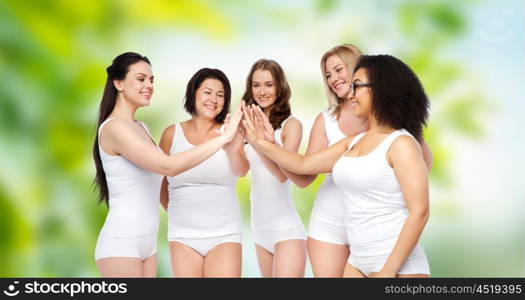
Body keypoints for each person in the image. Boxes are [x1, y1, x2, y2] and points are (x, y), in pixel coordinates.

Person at [242, 54, 431, 278]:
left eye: (357, 86)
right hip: (357, 263)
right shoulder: (353, 142)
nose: (351, 93)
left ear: (381, 90)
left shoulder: (401, 144)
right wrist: (262, 142)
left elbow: (420, 212)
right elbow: (303, 164)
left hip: (397, 266)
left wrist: (388, 271)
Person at [93, 53, 242, 278]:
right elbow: (169, 167)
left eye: (151, 80)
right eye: (141, 79)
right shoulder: (115, 128)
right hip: (121, 243)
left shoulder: (140, 127)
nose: (149, 85)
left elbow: (162, 181)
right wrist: (222, 139)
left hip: (147, 245)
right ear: (118, 83)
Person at [301, 44, 433, 277]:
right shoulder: (327, 120)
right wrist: (264, 143)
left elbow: (420, 191)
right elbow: (303, 170)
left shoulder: (397, 134)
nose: (333, 79)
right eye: (328, 74)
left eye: (339, 70)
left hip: (381, 238)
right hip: (334, 225)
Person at [159, 68, 248, 278]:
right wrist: (179, 213)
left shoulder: (229, 132)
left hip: (225, 233)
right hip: (183, 236)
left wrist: (233, 145)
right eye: (208, 92)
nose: (213, 100)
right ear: (194, 93)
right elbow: (159, 181)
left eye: (220, 95)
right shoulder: (172, 134)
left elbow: (241, 170)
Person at [242, 59, 307, 277]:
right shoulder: (248, 124)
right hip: (259, 229)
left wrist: (259, 142)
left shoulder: (291, 125)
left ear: (279, 86)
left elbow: (282, 175)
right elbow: (240, 170)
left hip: (286, 230)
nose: (262, 91)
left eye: (268, 85)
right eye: (256, 85)